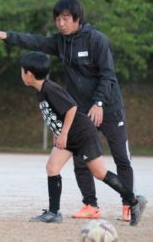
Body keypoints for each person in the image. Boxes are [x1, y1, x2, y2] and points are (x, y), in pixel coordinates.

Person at [0, 0, 134, 221]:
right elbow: (35, 42)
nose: (61, 23)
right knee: (80, 159)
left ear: (77, 19)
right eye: (57, 19)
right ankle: (90, 205)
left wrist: (99, 103)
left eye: (65, 19)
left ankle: (129, 205)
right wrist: (8, 36)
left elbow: (108, 75)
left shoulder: (97, 40)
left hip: (108, 107)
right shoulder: (60, 42)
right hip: (80, 110)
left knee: (121, 158)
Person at [19, 51, 146, 225]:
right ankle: (53, 213)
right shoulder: (40, 90)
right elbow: (55, 115)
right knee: (52, 167)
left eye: (22, 70)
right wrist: (59, 133)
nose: (21, 73)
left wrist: (63, 134)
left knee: (100, 173)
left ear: (29, 74)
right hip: (70, 135)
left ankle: (134, 202)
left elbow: (71, 108)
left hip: (82, 134)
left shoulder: (50, 89)